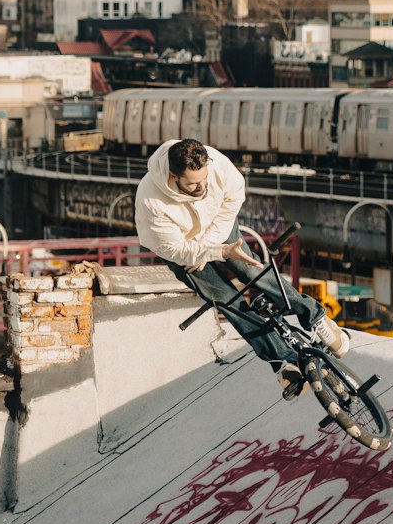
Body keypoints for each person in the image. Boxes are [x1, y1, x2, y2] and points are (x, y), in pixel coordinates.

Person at [134, 137, 349, 400]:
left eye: (203, 179)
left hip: (218, 228)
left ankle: (315, 316)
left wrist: (213, 246)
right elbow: (175, 250)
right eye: (192, 183)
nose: (201, 187)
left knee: (252, 271)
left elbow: (234, 197)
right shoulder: (150, 201)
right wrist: (211, 251)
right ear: (173, 176)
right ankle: (282, 360)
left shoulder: (215, 164)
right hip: (184, 252)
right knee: (226, 299)